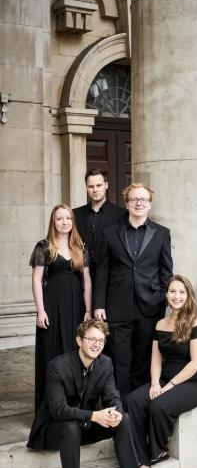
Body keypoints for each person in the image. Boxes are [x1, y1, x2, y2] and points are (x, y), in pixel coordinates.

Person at [27, 320, 155, 468]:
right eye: (92, 339)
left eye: (101, 341)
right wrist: (94, 416)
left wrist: (115, 412)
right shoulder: (57, 366)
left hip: (84, 426)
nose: (97, 344)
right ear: (79, 340)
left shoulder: (105, 363)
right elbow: (58, 410)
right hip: (54, 429)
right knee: (70, 428)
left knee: (124, 418)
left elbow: (112, 396)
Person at [94, 182, 173, 397]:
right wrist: (99, 304)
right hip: (117, 306)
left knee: (144, 357)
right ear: (127, 203)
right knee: (119, 358)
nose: (139, 203)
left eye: (143, 199)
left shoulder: (162, 233)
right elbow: (102, 271)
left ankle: (138, 404)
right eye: (134, 199)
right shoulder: (110, 233)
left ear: (150, 204)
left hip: (150, 306)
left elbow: (166, 272)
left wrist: (162, 298)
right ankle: (121, 406)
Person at [125, 275, 197, 468]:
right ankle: (138, 456)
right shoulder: (160, 324)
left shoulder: (196, 323)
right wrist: (155, 383)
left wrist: (169, 386)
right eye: (172, 291)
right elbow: (156, 358)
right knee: (132, 401)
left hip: (192, 383)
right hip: (164, 380)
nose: (176, 296)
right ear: (167, 295)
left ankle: (158, 451)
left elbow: (196, 363)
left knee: (158, 405)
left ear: (188, 295)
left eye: (181, 292)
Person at [30, 204, 92, 411]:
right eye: (59, 219)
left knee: (74, 351)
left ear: (73, 222)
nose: (64, 222)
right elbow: (36, 280)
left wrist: (88, 310)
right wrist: (40, 310)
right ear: (53, 222)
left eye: (68, 218)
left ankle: (72, 405)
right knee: (52, 352)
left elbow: (87, 281)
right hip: (52, 307)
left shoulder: (79, 247)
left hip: (76, 306)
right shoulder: (44, 247)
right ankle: (49, 407)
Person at [73, 169, 126, 285]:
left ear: (106, 185)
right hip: (80, 277)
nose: (95, 190)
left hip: (110, 278)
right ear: (86, 188)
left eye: (99, 185)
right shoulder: (75, 214)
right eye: (91, 186)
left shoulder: (121, 214)